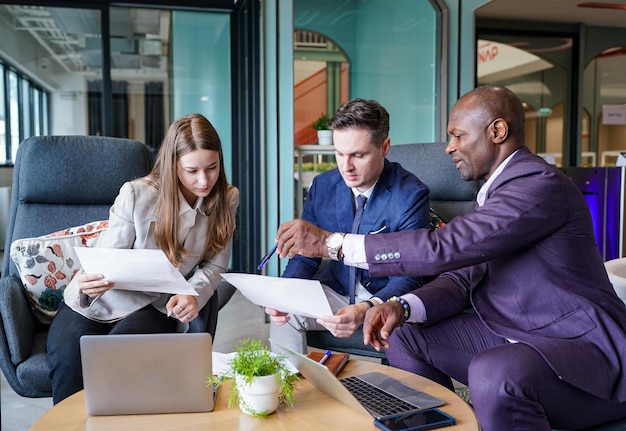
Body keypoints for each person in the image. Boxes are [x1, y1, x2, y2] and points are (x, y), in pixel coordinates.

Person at [273, 85, 626, 430]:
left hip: (579, 348)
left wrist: (331, 244)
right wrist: (401, 307)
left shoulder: (537, 184)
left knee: (494, 371)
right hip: (509, 334)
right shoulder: (493, 194)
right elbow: (460, 278)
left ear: (497, 131)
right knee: (400, 332)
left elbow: (444, 247)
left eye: (458, 136)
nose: (448, 147)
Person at [46, 113, 239, 404]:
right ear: (173, 165)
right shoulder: (137, 194)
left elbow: (215, 264)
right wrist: (88, 283)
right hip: (99, 299)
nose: (204, 180)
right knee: (67, 357)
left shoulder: (226, 198)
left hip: (152, 305)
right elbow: (106, 259)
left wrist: (193, 295)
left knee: (117, 359)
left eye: (212, 168)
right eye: (192, 170)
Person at [266, 98, 430, 354]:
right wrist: (284, 295)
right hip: (337, 291)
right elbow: (306, 257)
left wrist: (367, 308)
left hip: (385, 298)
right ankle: (291, 391)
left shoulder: (410, 195)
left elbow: (409, 276)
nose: (346, 166)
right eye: (339, 154)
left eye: (358, 155)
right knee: (286, 317)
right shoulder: (323, 186)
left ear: (384, 147)